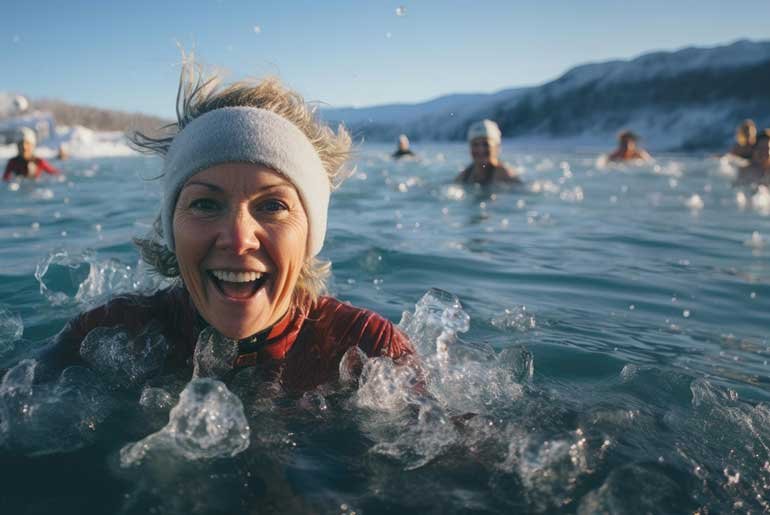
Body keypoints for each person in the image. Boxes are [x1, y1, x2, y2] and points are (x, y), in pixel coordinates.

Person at [28, 64, 413, 391]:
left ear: (310, 233)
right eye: (206, 204)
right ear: (171, 227)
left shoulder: (366, 350)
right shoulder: (112, 335)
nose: (239, 238)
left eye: (273, 205)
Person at [455, 119, 521, 185]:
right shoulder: (464, 177)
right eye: (475, 144)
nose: (481, 149)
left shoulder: (507, 177)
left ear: (497, 147)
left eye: (486, 144)